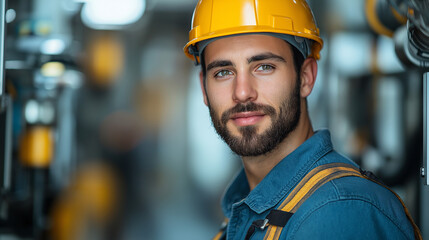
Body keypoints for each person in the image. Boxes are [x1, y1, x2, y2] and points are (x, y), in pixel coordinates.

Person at [183, 0, 422, 239]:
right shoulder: (248, 209)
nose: (242, 92)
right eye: (223, 72)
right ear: (204, 89)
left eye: (264, 67)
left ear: (306, 77)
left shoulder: (337, 215)